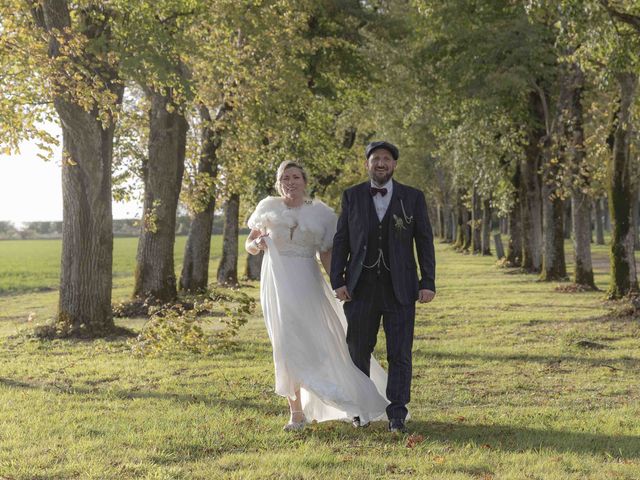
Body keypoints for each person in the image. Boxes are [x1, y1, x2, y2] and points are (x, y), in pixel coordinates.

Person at [245, 160, 389, 432]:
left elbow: (326, 253)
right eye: (285, 178)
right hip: (276, 282)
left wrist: (338, 284)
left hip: (307, 282)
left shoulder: (320, 213)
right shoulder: (267, 207)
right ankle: (296, 413)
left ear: (304, 181)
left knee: (318, 339)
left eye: (295, 177)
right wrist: (256, 244)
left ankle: (351, 400)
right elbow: (249, 244)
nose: (290, 182)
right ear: (279, 182)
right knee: (285, 343)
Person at [330, 141, 436, 434]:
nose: (381, 163)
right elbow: (342, 240)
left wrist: (427, 282)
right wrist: (337, 280)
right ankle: (359, 409)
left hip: (401, 288)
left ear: (394, 165)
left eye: (386, 159)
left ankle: (397, 414)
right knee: (358, 350)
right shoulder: (351, 196)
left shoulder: (412, 198)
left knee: (400, 353)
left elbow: (424, 241)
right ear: (367, 164)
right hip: (359, 288)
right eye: (375, 158)